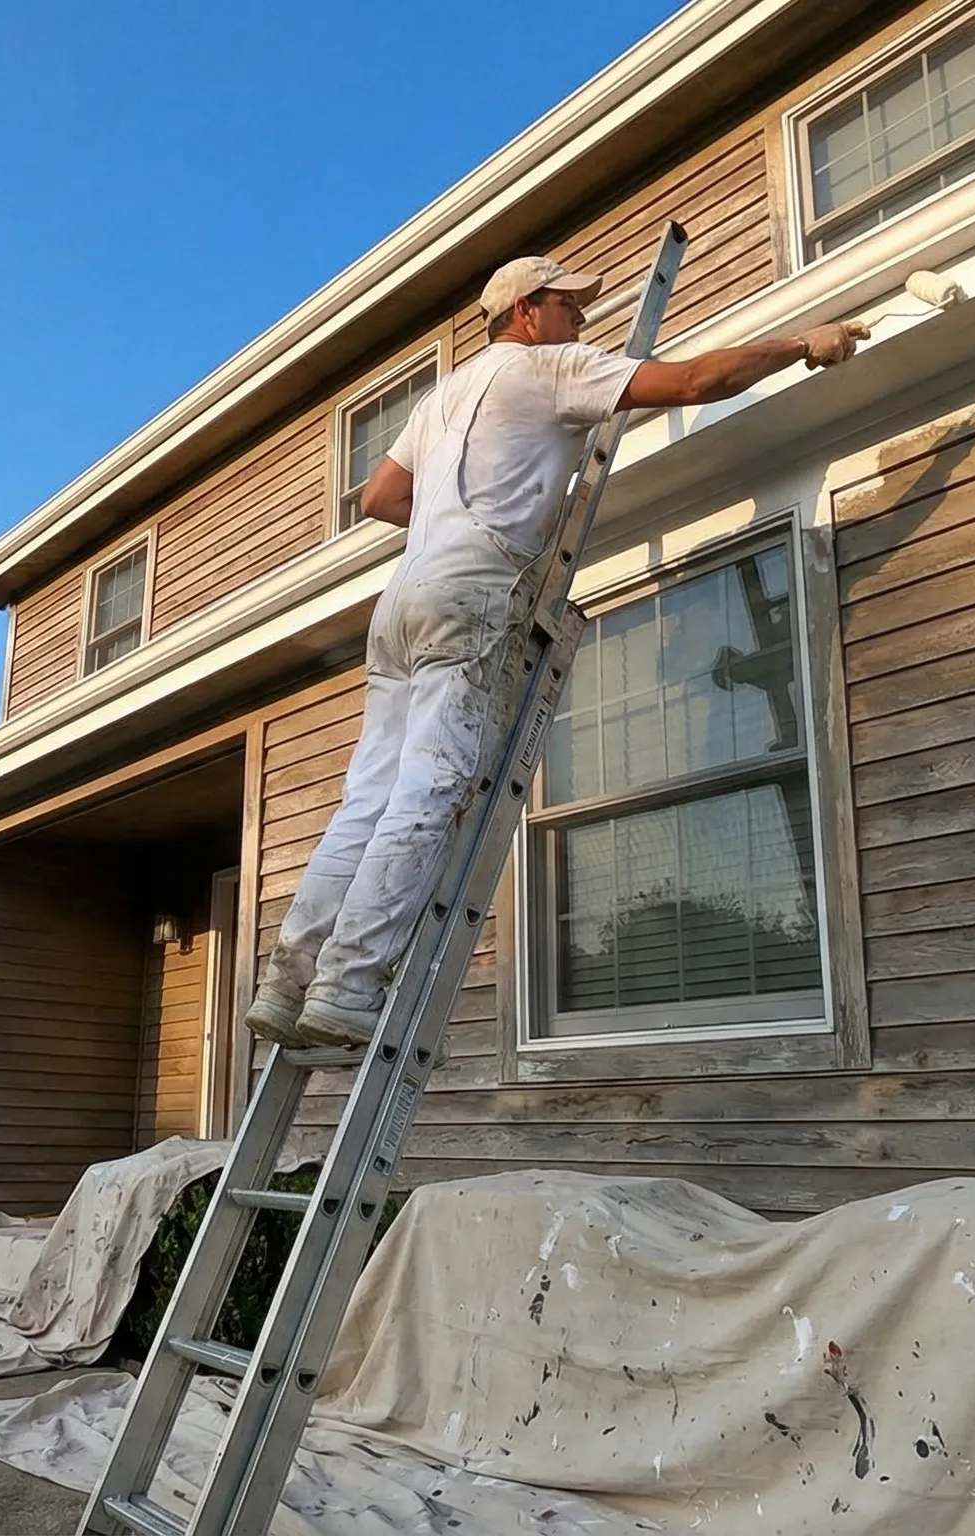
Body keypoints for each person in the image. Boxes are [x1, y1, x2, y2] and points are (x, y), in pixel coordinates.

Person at [248, 254, 868, 1047]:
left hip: (401, 602)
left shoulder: (442, 397)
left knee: (366, 799)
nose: (580, 319)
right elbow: (694, 381)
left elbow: (379, 497)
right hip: (472, 591)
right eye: (568, 305)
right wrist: (802, 343)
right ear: (525, 311)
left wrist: (472, 505)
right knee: (433, 786)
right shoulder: (547, 369)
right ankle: (348, 983)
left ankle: (286, 982)